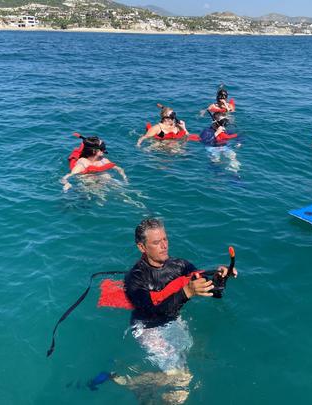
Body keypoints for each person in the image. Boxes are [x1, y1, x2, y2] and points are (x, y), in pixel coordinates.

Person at [111, 218, 237, 404]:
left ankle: (140, 387)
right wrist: (188, 291)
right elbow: (152, 313)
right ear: (142, 247)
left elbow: (214, 292)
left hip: (174, 322)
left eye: (165, 239)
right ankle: (131, 382)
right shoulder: (135, 279)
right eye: (156, 242)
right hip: (148, 328)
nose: (164, 246)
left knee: (181, 378)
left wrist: (219, 279)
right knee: (182, 378)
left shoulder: (180, 265)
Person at [62, 135, 127, 192]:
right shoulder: (82, 164)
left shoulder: (103, 160)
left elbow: (119, 169)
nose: (104, 150)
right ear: (94, 151)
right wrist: (66, 183)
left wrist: (124, 177)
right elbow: (66, 177)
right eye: (102, 148)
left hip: (100, 178)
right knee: (90, 179)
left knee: (106, 175)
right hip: (86, 181)